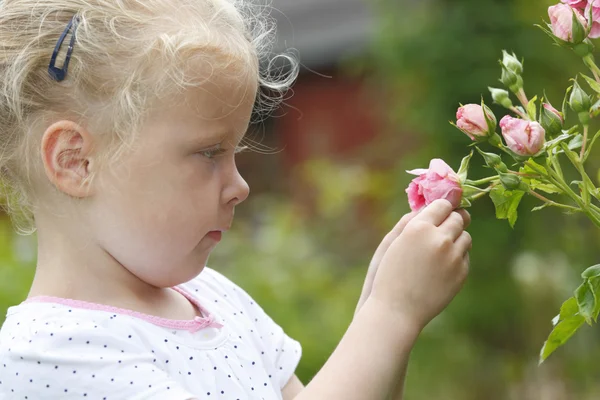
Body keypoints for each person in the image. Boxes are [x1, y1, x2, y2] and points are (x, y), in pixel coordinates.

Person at [0, 1, 472, 399]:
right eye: (209, 153)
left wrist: (379, 298)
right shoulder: (52, 353)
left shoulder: (217, 297)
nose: (241, 186)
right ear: (76, 161)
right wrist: (391, 314)